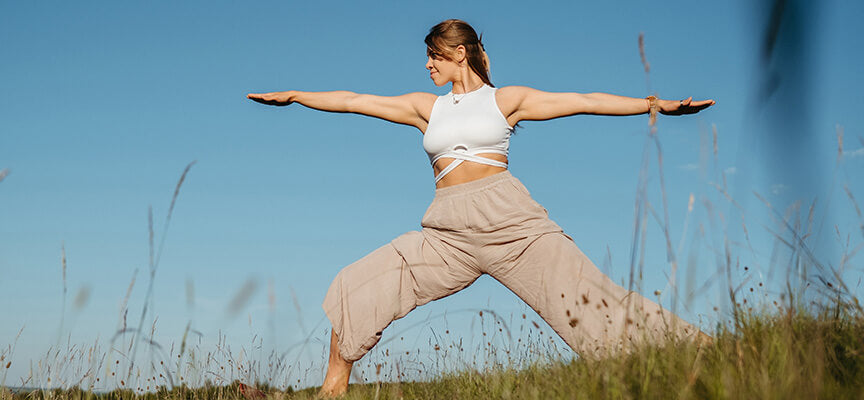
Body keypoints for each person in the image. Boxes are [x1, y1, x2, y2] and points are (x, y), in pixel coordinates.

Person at [247, 19, 714, 398]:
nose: (427, 63)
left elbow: (583, 101)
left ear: (459, 53)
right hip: (447, 233)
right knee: (360, 283)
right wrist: (295, 97)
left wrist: (654, 104)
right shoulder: (426, 107)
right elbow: (354, 101)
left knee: (589, 300)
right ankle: (333, 391)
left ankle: (698, 354)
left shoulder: (504, 100)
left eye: (434, 54)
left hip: (512, 225)